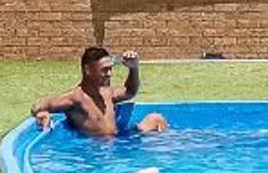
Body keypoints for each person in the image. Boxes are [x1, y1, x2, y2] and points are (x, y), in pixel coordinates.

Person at [31, 45, 169, 137]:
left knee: (156, 119)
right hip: (95, 151)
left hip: (119, 143)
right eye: (104, 70)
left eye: (110, 69)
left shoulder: (107, 93)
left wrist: (134, 68)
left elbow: (130, 91)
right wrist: (41, 112)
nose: (109, 74)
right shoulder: (76, 98)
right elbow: (40, 105)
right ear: (88, 70)